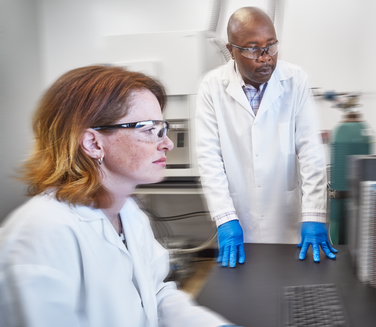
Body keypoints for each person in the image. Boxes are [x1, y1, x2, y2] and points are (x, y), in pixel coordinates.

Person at [0, 65, 232, 327]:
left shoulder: (129, 214)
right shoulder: (39, 235)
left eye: (162, 128)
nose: (167, 143)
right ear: (93, 144)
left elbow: (154, 295)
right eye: (149, 129)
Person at [196, 7, 337, 268]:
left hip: (287, 218)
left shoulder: (295, 80)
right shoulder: (211, 87)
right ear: (231, 50)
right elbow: (209, 159)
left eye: (271, 46)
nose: (265, 58)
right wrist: (225, 218)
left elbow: (310, 152)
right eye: (252, 49)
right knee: (246, 292)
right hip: (240, 216)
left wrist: (314, 214)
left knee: (293, 283)